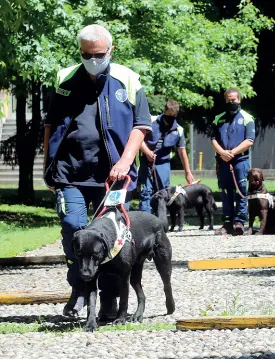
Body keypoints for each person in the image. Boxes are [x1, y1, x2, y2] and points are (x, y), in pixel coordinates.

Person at [43, 24, 152, 318]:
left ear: (110, 51)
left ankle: (108, 301)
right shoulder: (65, 79)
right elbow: (50, 124)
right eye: (87, 54)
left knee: (112, 240)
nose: (93, 59)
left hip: (113, 178)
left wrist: (125, 161)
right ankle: (80, 285)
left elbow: (141, 126)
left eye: (99, 54)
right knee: (73, 227)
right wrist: (47, 166)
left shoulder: (127, 79)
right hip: (70, 173)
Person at [211, 88, 255, 235]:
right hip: (223, 161)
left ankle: (240, 222)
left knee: (241, 190)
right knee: (225, 191)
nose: (231, 102)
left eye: (234, 99)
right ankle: (227, 222)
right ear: (225, 100)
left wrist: (232, 153)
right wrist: (223, 153)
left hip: (240, 161)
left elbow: (249, 141)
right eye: (229, 99)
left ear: (239, 100)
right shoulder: (218, 118)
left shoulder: (247, 118)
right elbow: (213, 139)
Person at [138, 99, 194, 213]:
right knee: (145, 192)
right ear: (164, 110)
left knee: (163, 193)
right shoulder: (150, 121)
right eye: (168, 115)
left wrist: (188, 172)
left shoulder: (179, 130)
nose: (170, 119)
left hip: (163, 163)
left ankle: (160, 220)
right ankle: (145, 219)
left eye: (173, 116)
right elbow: (137, 138)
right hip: (146, 161)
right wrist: (147, 152)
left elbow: (182, 152)